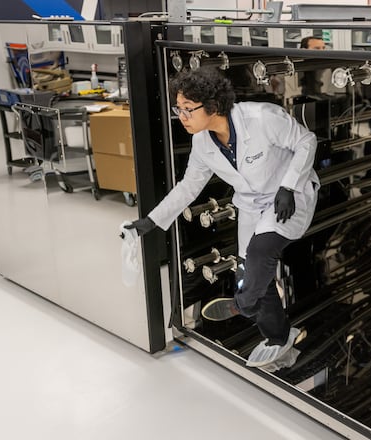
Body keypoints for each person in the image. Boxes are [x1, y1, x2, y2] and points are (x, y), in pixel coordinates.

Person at [125, 67, 319, 367]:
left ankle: (242, 305)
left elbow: (306, 141)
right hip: (252, 206)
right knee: (250, 275)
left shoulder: (262, 117)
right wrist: (149, 222)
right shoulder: (203, 143)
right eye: (179, 109)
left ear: (213, 106)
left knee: (260, 253)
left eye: (188, 109)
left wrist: (289, 186)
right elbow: (188, 187)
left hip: (290, 196)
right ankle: (278, 336)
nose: (182, 117)